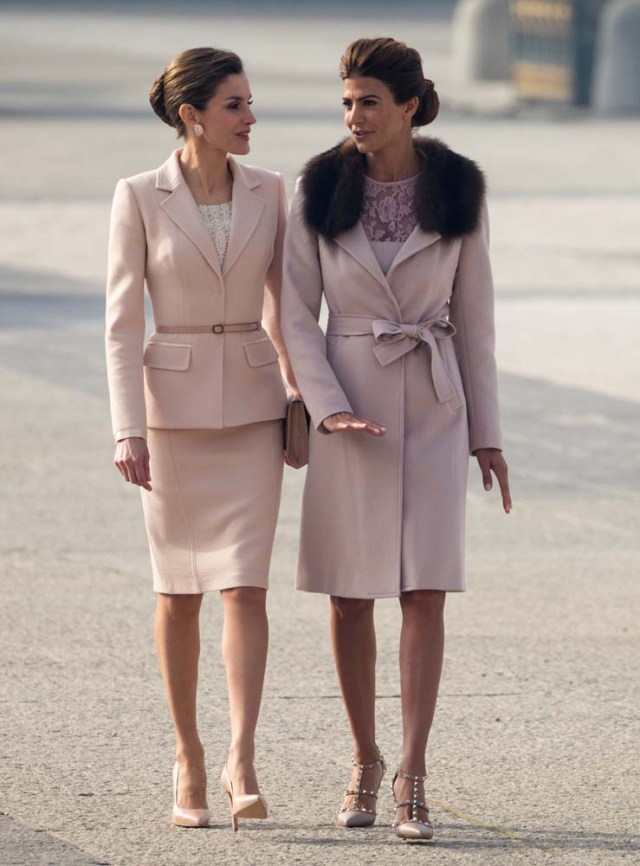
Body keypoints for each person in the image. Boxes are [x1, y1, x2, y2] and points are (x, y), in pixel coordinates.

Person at [281, 37, 511, 842]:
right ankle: (365, 759)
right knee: (348, 595)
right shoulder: (318, 187)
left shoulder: (457, 190)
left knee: (424, 590)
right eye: (346, 102)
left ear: (410, 105)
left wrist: (489, 435)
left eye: (369, 102)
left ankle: (414, 770)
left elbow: (477, 324)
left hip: (435, 403)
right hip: (348, 406)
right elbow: (294, 317)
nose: (354, 117)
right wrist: (326, 407)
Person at [105, 46, 295, 831]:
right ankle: (187, 754)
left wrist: (303, 396)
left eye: (250, 104)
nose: (251, 119)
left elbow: (290, 308)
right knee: (178, 594)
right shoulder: (138, 196)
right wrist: (127, 428)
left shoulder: (272, 191)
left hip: (253, 409)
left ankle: (241, 758)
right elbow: (120, 324)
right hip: (170, 419)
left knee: (247, 587)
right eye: (236, 105)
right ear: (193, 114)